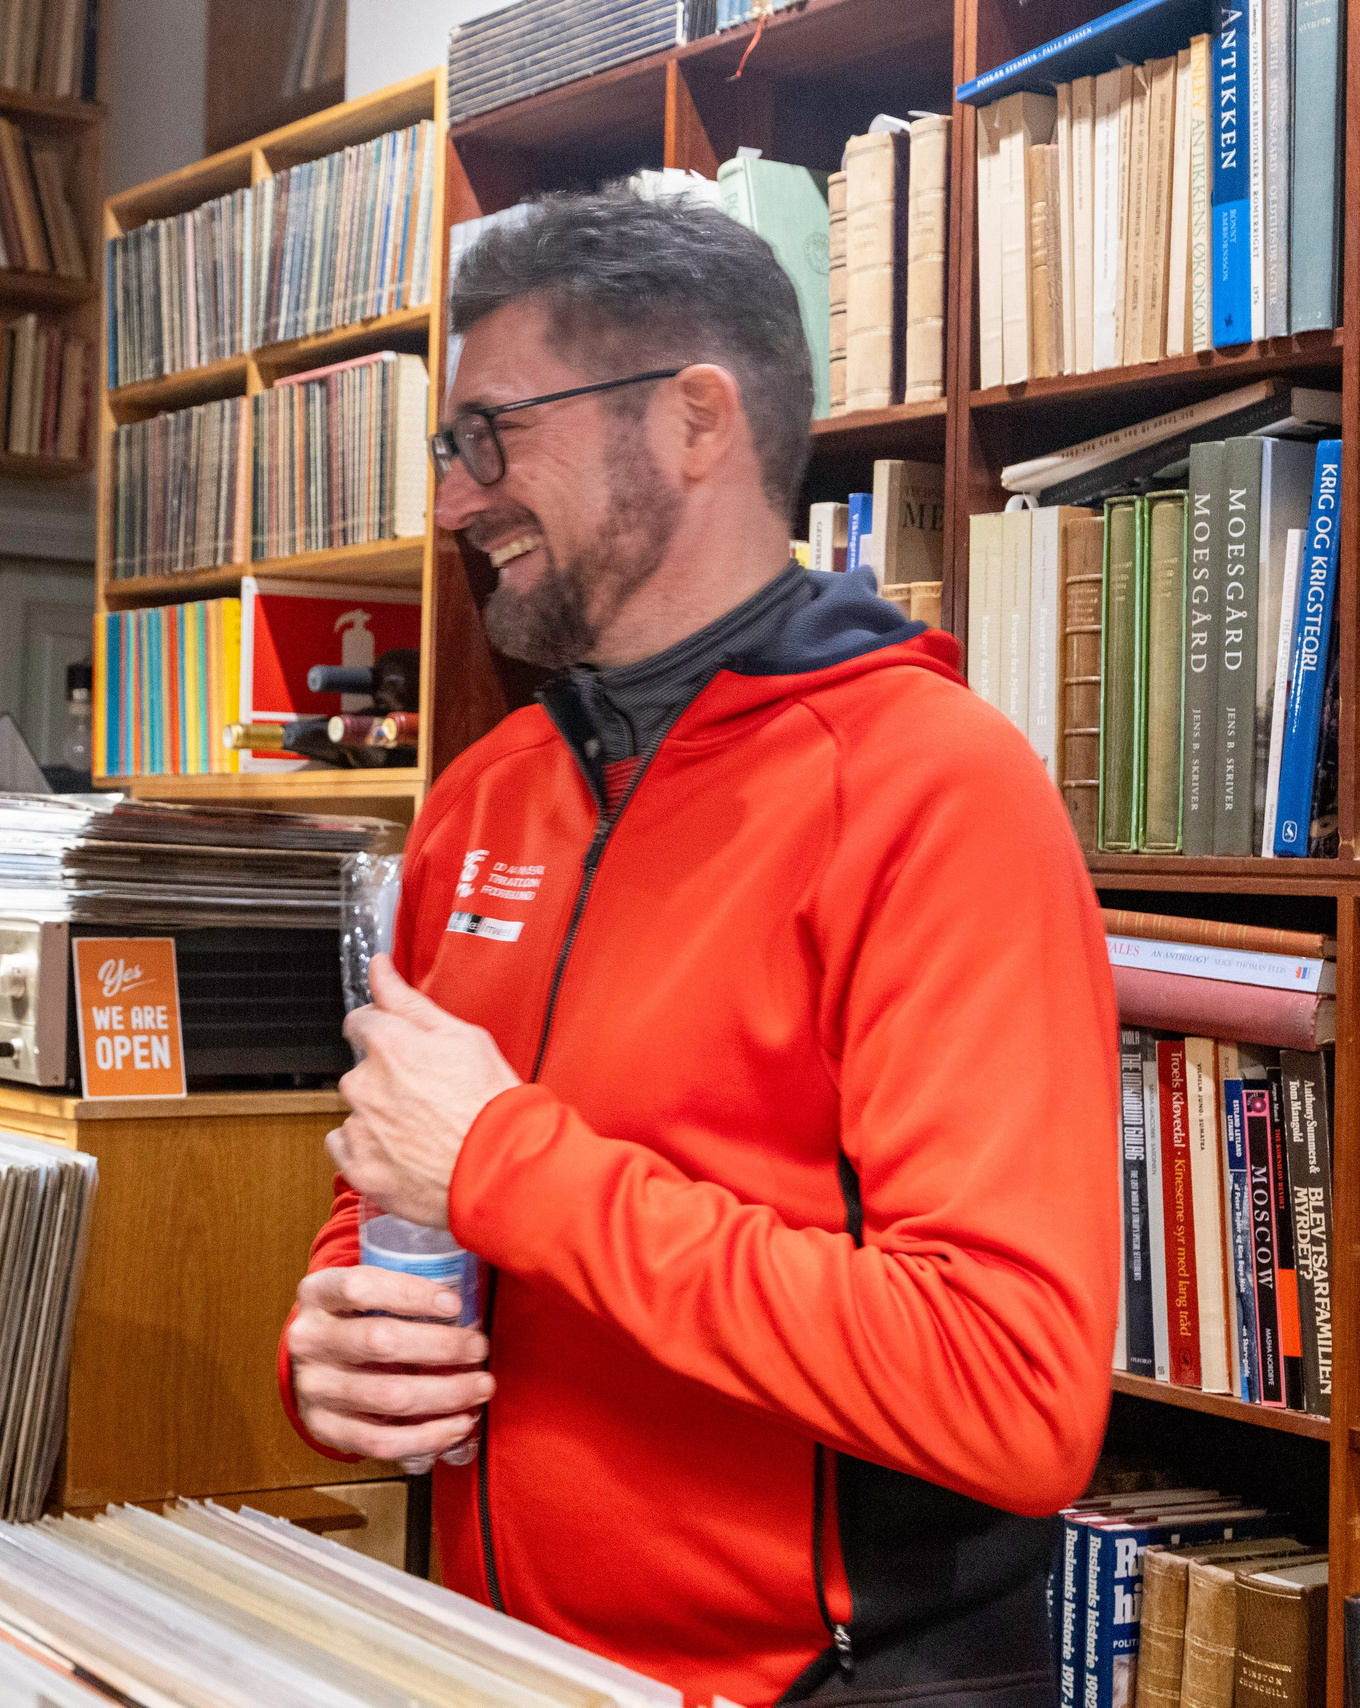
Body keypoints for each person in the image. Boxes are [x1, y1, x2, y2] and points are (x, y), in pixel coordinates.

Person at [281, 191, 1116, 1704]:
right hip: (497, 1660)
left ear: (693, 420)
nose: (458, 500)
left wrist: (504, 1165)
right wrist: (337, 1342)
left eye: (491, 434)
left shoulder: (936, 792)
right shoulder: (480, 799)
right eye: (446, 450)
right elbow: (401, 1191)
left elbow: (1010, 1391)